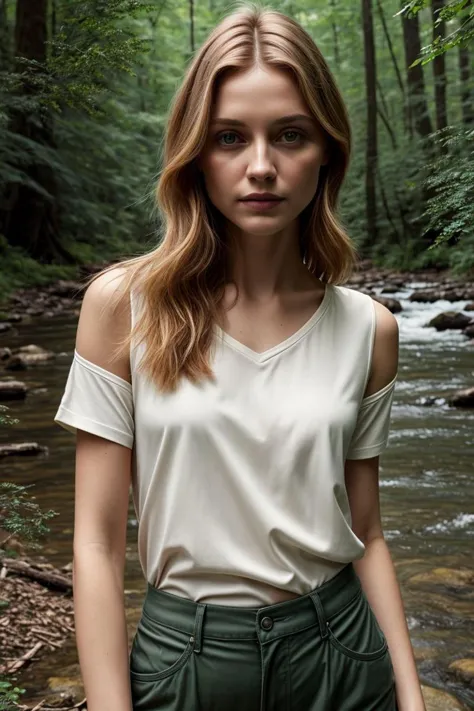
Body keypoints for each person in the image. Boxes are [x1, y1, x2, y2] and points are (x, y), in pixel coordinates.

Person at [54, 3, 426, 710]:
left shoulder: (368, 330)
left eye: (289, 134)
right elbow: (96, 547)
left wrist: (410, 694)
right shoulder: (122, 307)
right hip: (186, 662)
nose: (261, 166)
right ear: (195, 152)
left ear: (327, 151)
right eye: (230, 137)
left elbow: (367, 531)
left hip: (342, 654)